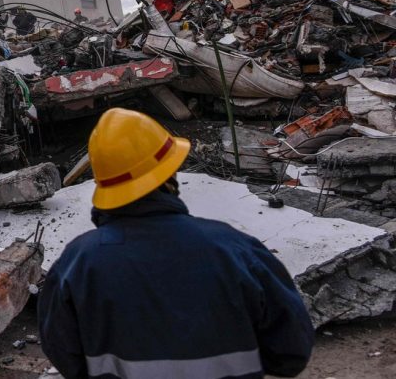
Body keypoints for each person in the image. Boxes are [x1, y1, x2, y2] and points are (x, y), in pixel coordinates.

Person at [37, 108, 314, 379]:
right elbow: (290, 354)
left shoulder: (77, 263)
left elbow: (65, 355)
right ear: (168, 176)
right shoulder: (236, 250)